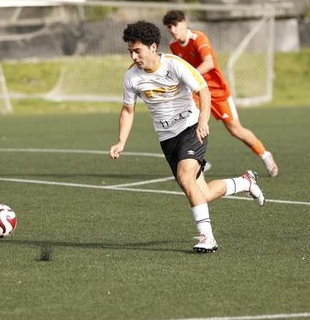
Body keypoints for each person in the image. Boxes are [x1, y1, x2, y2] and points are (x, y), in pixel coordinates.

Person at [109, 20, 265, 253]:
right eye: (130, 51)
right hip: (167, 139)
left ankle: (207, 237)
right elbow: (128, 110)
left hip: (191, 128)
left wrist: (203, 121)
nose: (134, 56)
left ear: (153, 47)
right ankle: (245, 182)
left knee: (185, 177)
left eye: (137, 51)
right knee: (202, 193)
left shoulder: (175, 65)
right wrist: (121, 140)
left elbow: (203, 90)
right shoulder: (132, 77)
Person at [163, 9, 279, 177]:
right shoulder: (174, 46)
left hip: (217, 92)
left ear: (184, 23)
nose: (173, 30)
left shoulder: (198, 38)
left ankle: (265, 155)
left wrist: (190, 76)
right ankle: (196, 164)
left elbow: (209, 63)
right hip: (196, 93)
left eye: (175, 25)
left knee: (236, 130)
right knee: (189, 124)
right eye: (169, 27)